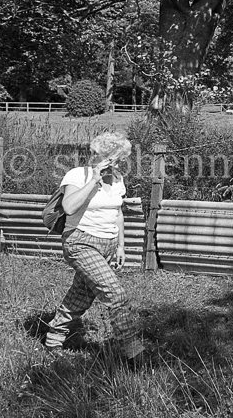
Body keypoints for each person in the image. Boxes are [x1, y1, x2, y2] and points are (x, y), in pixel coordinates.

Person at [45, 132, 145, 364]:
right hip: (80, 242)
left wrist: (121, 245)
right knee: (115, 294)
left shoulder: (118, 178)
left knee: (80, 295)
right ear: (96, 155)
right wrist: (94, 180)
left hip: (108, 244)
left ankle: (53, 338)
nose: (117, 164)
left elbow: (117, 212)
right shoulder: (77, 175)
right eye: (112, 159)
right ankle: (133, 352)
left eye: (120, 159)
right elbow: (68, 207)